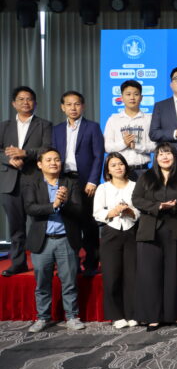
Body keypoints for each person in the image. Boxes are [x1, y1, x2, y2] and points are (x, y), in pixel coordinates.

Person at [24, 148, 85, 333]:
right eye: (49, 160)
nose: (53, 163)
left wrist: (64, 203)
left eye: (57, 159)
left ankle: (72, 317)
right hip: (42, 242)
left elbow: (79, 211)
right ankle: (42, 317)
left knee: (69, 282)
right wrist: (54, 205)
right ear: (39, 164)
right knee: (42, 283)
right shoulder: (32, 183)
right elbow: (30, 208)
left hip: (66, 239)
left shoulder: (70, 183)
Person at [132, 143, 177, 331]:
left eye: (168, 153)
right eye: (161, 154)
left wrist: (176, 206)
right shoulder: (146, 176)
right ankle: (152, 317)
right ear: (155, 157)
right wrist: (157, 206)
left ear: (175, 156)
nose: (165, 157)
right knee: (150, 275)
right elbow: (137, 199)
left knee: (173, 273)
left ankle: (171, 315)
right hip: (150, 230)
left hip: (175, 228)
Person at [0, 86, 52, 277]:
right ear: (14, 103)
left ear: (35, 103)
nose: (25, 102)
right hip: (9, 181)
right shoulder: (4, 126)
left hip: (35, 180)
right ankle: (18, 263)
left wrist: (25, 153)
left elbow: (47, 149)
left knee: (39, 223)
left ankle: (44, 263)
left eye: (29, 99)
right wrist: (9, 159)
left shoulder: (44, 125)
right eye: (21, 99)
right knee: (16, 225)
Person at [52, 90, 105, 275]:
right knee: (69, 223)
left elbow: (98, 156)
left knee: (89, 223)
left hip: (85, 181)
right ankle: (72, 263)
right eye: (68, 104)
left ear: (83, 106)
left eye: (77, 104)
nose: (73, 108)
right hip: (64, 180)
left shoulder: (92, 127)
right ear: (62, 107)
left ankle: (91, 263)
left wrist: (93, 181)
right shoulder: (57, 129)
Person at [93, 152, 140, 329]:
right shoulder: (103, 188)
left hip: (131, 231)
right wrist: (111, 212)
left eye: (120, 164)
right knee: (111, 275)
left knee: (132, 275)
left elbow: (140, 209)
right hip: (111, 232)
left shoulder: (135, 186)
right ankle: (116, 315)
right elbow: (97, 212)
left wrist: (131, 212)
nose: (118, 167)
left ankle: (132, 313)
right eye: (113, 165)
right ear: (108, 170)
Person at [103, 80, 156, 180]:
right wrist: (124, 143)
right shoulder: (113, 119)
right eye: (128, 94)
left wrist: (137, 146)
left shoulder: (149, 119)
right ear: (122, 98)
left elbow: (156, 146)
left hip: (142, 170)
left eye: (136, 94)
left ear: (141, 98)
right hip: (119, 172)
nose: (132, 97)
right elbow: (107, 147)